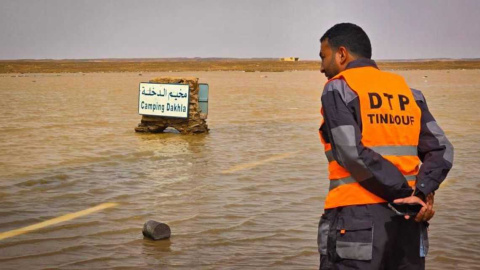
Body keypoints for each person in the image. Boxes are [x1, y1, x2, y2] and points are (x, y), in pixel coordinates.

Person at [316, 23, 454, 270]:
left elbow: (350, 153)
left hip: (357, 220)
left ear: (342, 54)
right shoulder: (410, 93)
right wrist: (420, 193)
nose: (321, 67)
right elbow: (442, 150)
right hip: (410, 223)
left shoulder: (339, 87)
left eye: (324, 57)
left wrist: (405, 195)